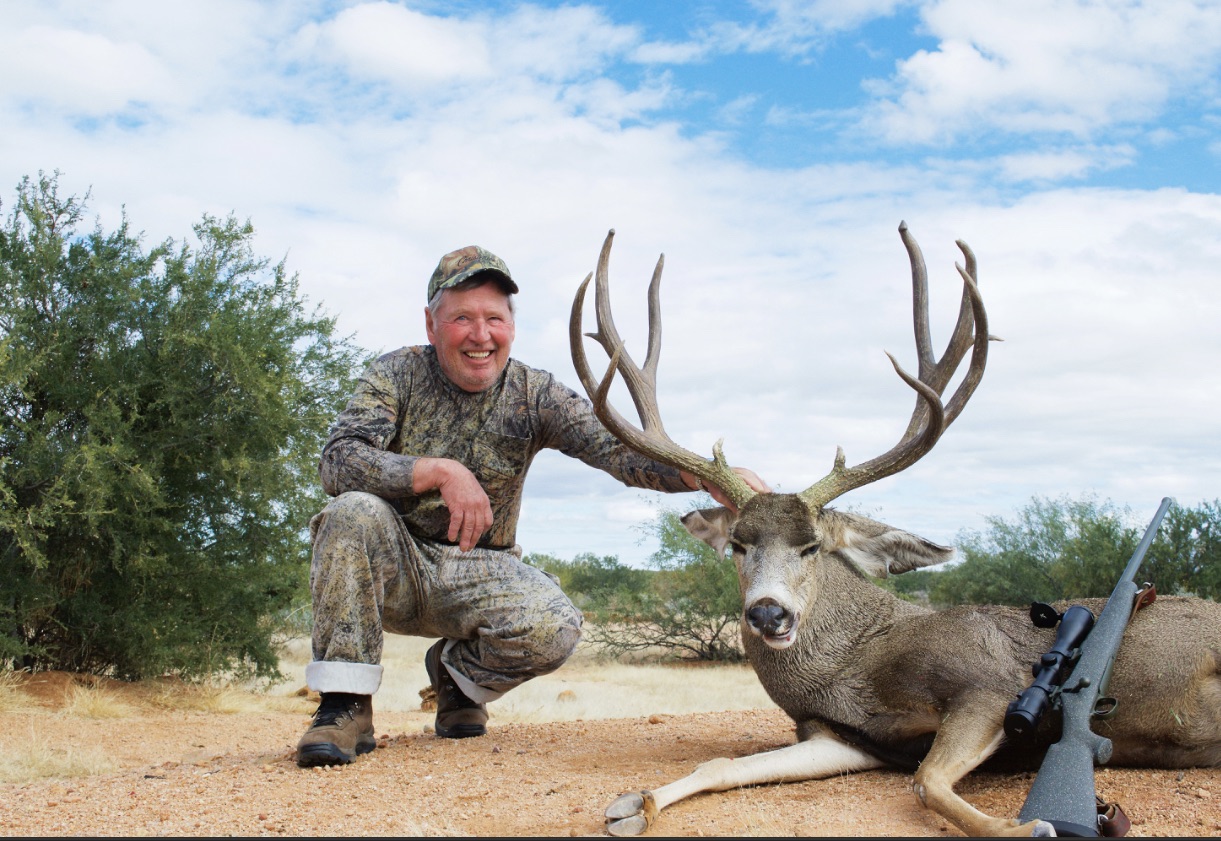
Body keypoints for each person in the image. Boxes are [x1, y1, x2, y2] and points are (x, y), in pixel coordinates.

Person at [296, 245, 768, 767]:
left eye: (494, 319)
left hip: (479, 569)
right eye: (462, 318)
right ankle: (344, 707)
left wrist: (705, 474)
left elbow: (615, 449)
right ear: (432, 325)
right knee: (350, 513)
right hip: (392, 565)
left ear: (512, 327)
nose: (481, 335)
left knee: (556, 625)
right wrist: (437, 471)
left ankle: (456, 680)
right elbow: (338, 460)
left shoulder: (534, 392)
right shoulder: (395, 374)